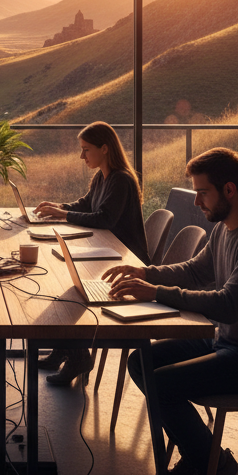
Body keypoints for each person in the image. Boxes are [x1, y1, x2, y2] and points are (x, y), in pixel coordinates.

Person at [103, 147, 238, 475]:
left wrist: (155, 291)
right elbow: (196, 272)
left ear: (229, 190)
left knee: (161, 384)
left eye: (202, 192)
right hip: (232, 344)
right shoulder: (227, 228)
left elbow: (228, 305)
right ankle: (202, 459)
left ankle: (215, 465)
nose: (196, 201)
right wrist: (145, 273)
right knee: (141, 362)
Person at [35, 121, 148, 386]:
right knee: (64, 279)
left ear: (105, 148)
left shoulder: (121, 180)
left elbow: (103, 219)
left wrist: (63, 214)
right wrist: (59, 206)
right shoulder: (102, 176)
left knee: (68, 285)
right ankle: (68, 349)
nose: (81, 156)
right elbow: (86, 204)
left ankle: (76, 355)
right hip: (106, 251)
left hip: (123, 260)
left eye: (86, 150)